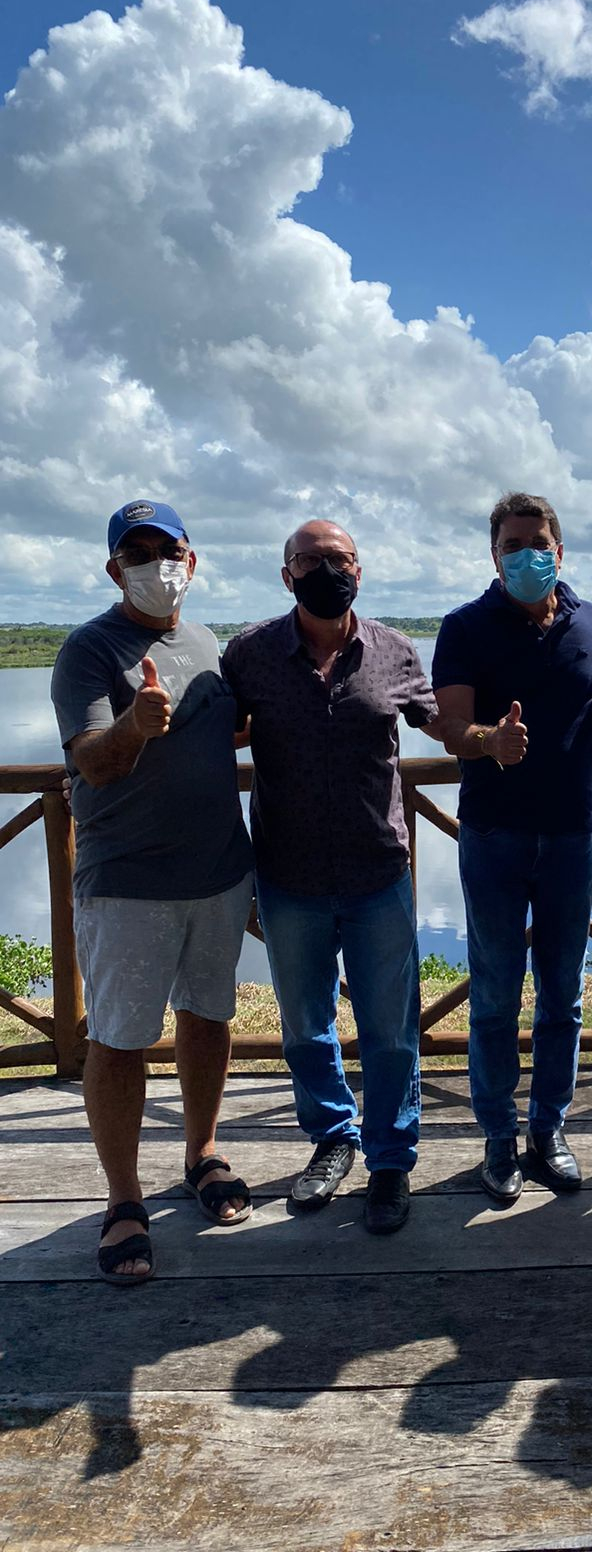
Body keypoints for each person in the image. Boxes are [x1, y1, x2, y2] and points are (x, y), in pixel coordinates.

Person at [222, 520, 448, 1235]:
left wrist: (488, 739)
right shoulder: (251, 655)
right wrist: (106, 773)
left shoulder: (393, 650)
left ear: (362, 569)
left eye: (340, 558)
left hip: (378, 872)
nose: (328, 569)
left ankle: (390, 1162)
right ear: (286, 574)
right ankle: (332, 1139)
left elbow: (439, 721)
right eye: (312, 560)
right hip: (288, 875)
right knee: (305, 1029)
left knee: (389, 1032)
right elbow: (208, 734)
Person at [51, 500, 255, 1285]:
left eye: (168, 548)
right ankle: (124, 1198)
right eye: (137, 552)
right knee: (119, 1040)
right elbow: (93, 763)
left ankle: (200, 1152)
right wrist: (135, 724)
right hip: (127, 882)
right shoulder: (88, 650)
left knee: (209, 1019)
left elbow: (226, 728)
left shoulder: (206, 644)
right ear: (114, 569)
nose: (157, 563)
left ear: (192, 561)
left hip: (218, 874)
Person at [432, 492, 592, 1201]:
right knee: (494, 997)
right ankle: (498, 1138)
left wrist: (570, 755)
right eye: (512, 545)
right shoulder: (464, 626)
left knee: (563, 997)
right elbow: (449, 726)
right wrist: (490, 742)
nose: (527, 555)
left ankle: (549, 1127)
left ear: (560, 549)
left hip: (572, 835)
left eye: (537, 542)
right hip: (493, 836)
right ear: (494, 556)